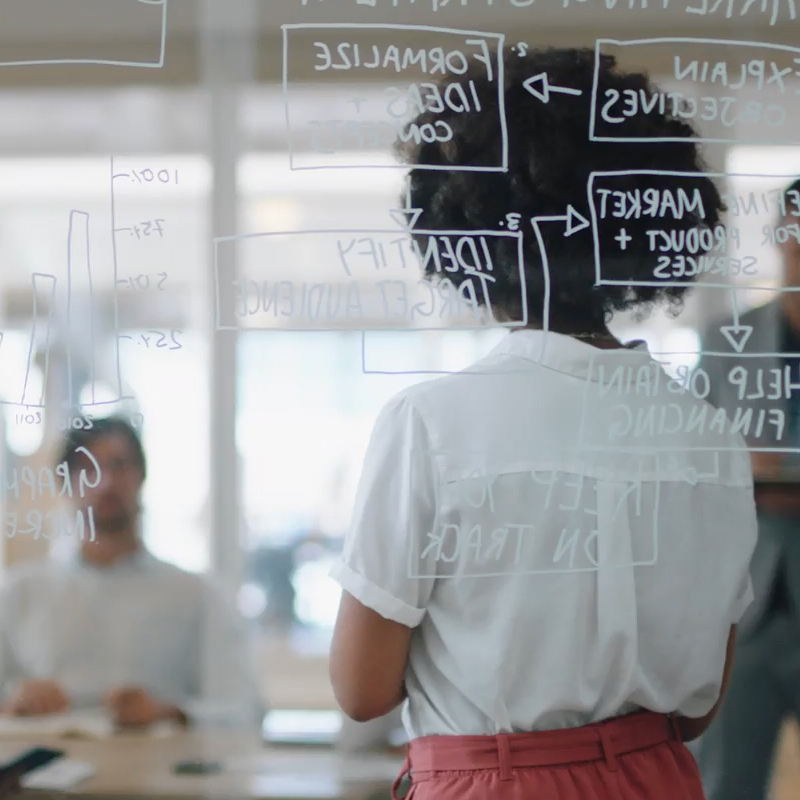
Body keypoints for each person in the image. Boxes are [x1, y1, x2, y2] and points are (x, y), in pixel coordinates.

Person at [328, 47, 758, 800]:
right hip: (660, 779)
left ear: (468, 234)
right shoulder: (711, 437)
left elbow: (362, 690)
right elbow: (698, 711)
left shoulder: (431, 424)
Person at [0, 416, 263, 728]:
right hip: (42, 768)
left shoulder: (194, 595)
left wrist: (170, 712)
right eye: (88, 470)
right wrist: (13, 700)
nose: (105, 483)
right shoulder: (18, 594)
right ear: (66, 484)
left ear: (141, 476)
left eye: (118, 466)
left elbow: (247, 707)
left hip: (156, 770)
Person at [694, 177, 800, 799]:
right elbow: (693, 472)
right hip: (747, 608)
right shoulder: (725, 343)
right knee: (729, 782)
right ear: (781, 233)